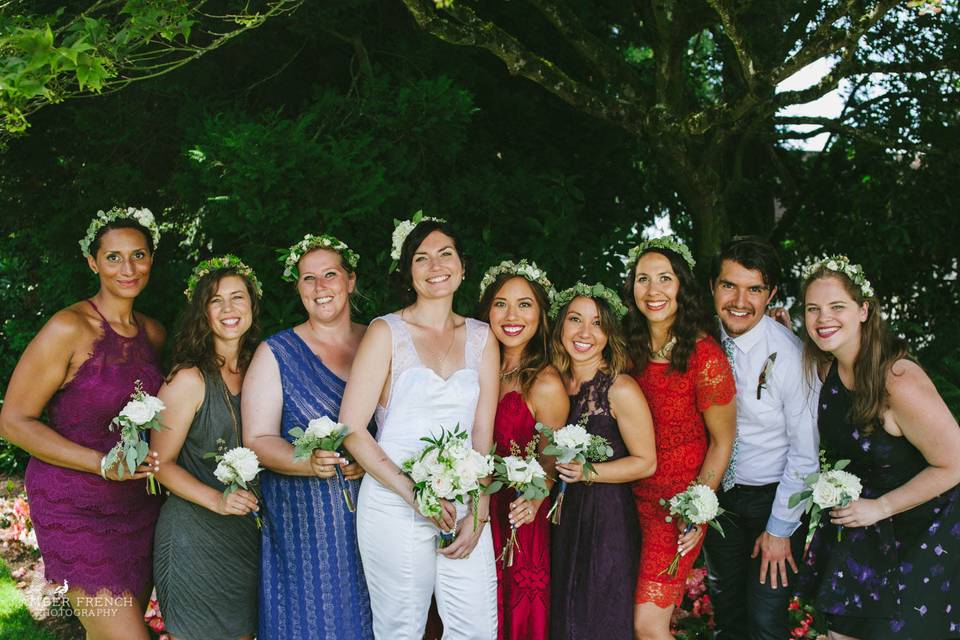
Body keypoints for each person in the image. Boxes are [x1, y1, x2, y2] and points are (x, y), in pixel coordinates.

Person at [0, 207, 165, 639]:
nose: (127, 268)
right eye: (113, 257)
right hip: (74, 508)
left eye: (138, 255)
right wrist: (100, 463)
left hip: (136, 505)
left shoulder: (154, 334)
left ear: (151, 259)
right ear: (93, 261)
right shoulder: (67, 328)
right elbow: (14, 422)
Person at [337, 215, 500, 640]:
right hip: (395, 499)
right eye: (422, 258)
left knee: (477, 629)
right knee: (401, 629)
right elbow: (351, 427)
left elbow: (483, 432)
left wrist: (479, 510)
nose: (436, 266)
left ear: (463, 266)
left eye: (445, 254)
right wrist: (414, 494)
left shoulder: (483, 338)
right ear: (409, 272)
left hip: (464, 499)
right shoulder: (385, 332)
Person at [799, 255, 960, 639]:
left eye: (837, 307)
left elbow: (954, 463)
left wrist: (881, 508)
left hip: (924, 530)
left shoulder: (898, 381)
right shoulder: (829, 369)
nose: (824, 319)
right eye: (813, 309)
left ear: (864, 311)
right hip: (867, 533)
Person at [242, 234, 373, 639]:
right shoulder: (276, 352)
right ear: (298, 287)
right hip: (305, 524)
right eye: (308, 279)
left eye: (330, 275)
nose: (320, 288)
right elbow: (258, 438)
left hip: (376, 516)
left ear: (350, 280)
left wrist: (371, 466)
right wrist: (307, 461)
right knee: (310, 620)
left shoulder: (380, 340)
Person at [703, 237, 819, 640]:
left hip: (775, 497)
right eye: (729, 285)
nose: (739, 300)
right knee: (728, 616)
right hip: (721, 499)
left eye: (754, 289)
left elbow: (805, 457)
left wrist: (780, 529)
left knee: (767, 622)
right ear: (713, 286)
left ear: (770, 295)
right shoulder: (697, 341)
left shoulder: (790, 355)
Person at [624, 236, 737, 640]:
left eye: (664, 279)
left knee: (648, 626)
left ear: (682, 287)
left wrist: (699, 507)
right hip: (623, 499)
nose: (653, 290)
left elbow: (723, 441)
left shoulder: (704, 356)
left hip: (675, 508)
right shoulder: (627, 347)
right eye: (643, 279)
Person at [152, 256, 262, 640]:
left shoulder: (262, 368)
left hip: (248, 538)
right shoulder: (188, 379)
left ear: (253, 304)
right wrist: (216, 501)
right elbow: (159, 463)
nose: (229, 309)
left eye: (238, 297)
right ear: (203, 312)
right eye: (216, 300)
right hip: (195, 540)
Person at [548, 283, 657, 640]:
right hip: (563, 517)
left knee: (600, 616)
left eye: (597, 324)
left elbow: (645, 462)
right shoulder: (554, 383)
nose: (584, 333)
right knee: (566, 615)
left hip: (606, 518)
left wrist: (589, 471)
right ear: (560, 326)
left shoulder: (619, 388)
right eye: (575, 320)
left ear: (609, 334)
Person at [477, 260, 569, 640]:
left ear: (541, 314)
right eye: (501, 304)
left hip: (519, 518)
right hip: (473, 511)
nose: (511, 315)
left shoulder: (544, 381)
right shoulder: (475, 368)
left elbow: (553, 455)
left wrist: (535, 497)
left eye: (524, 304)